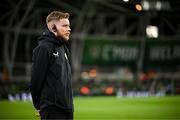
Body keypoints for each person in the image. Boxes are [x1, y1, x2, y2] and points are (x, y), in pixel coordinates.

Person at [30, 11, 73, 120]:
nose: (69, 29)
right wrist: (39, 106)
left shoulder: (63, 48)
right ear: (52, 27)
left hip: (67, 108)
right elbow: (36, 80)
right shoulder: (44, 48)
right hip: (52, 109)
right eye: (64, 25)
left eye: (68, 25)